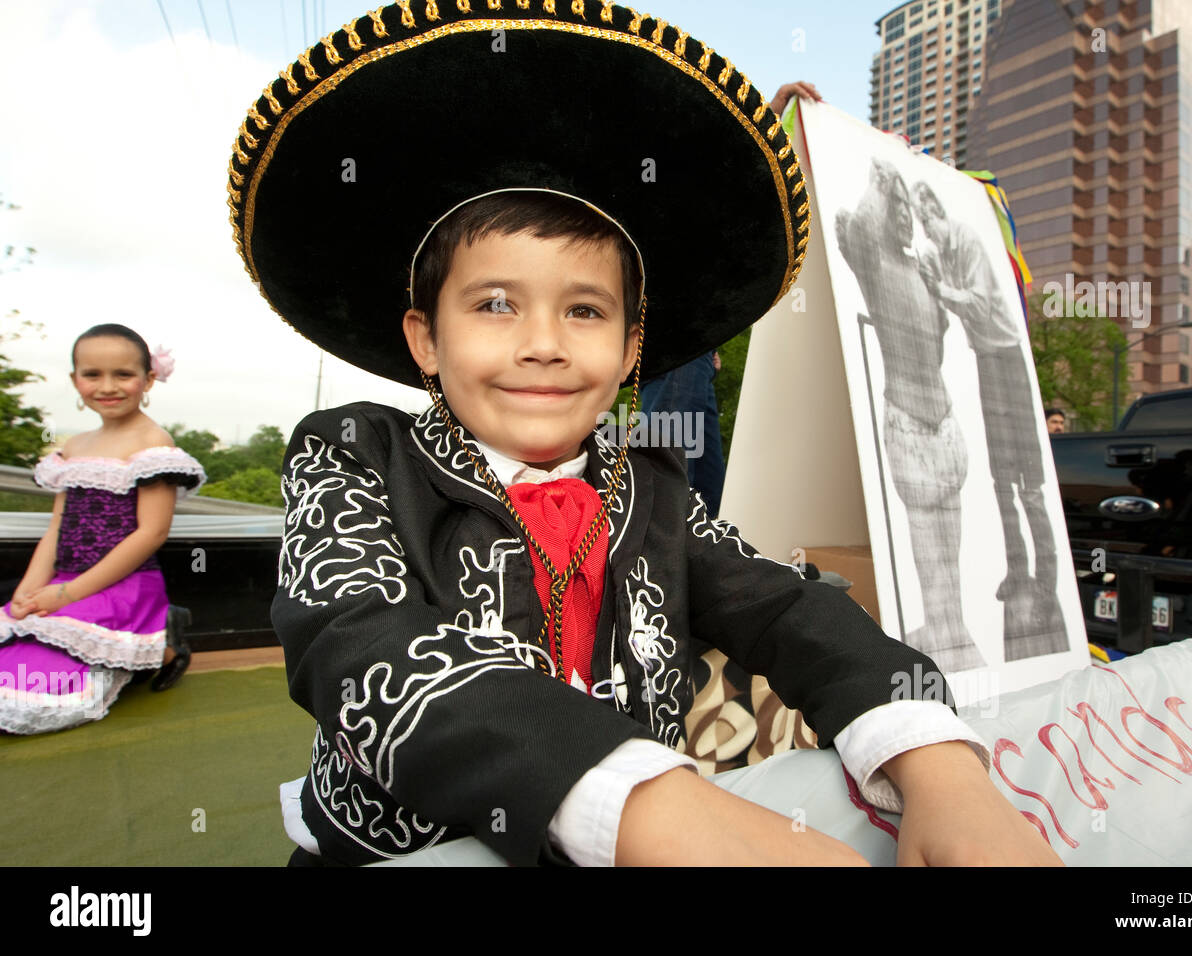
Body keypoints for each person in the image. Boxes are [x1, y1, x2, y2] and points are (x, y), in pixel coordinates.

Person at [233, 1, 1059, 866]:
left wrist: (935, 765)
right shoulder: (353, 456)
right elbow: (356, 640)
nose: (543, 343)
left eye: (584, 310)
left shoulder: (653, 490)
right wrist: (650, 805)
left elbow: (789, 608)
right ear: (425, 339)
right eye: (494, 305)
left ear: (632, 349)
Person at [0, 325, 205, 734]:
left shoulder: (153, 444)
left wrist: (67, 594)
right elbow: (57, 526)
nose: (107, 386)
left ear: (148, 380)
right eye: (92, 374)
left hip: (123, 584)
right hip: (65, 580)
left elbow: (150, 533)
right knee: (18, 633)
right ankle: (156, 640)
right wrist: (29, 589)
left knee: (34, 685)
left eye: (123, 375)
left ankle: (165, 645)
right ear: (75, 379)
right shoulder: (74, 447)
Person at [639, 80, 823, 519]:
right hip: (674, 348)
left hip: (693, 352)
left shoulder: (692, 201)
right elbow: (729, 162)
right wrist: (771, 111)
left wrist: (710, 342)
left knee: (703, 487)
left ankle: (702, 578)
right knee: (670, 473)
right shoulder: (661, 181)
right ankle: (649, 571)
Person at [835, 158, 983, 673]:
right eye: (895, 203)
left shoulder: (919, 267)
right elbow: (862, 221)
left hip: (943, 427)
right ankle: (943, 636)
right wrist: (882, 168)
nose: (902, 214)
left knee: (950, 550)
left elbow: (940, 342)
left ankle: (951, 629)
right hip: (913, 429)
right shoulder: (871, 254)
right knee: (929, 549)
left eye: (905, 205)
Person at [911, 180, 1067, 656]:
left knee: (1030, 483)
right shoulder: (938, 248)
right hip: (984, 358)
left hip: (1008, 357)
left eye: (926, 219)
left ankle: (1046, 580)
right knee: (1001, 477)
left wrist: (941, 286)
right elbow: (937, 294)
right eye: (921, 223)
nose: (927, 231)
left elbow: (974, 301)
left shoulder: (967, 239)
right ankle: (1017, 570)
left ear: (937, 213)